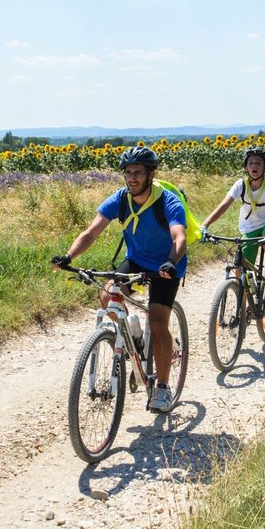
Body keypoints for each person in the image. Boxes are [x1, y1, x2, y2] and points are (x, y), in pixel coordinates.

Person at [51, 146, 187, 413]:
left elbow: (178, 237)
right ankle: (132, 335)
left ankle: (162, 387)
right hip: (136, 259)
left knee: (158, 320)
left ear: (151, 174)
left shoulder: (168, 200)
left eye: (138, 172)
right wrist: (69, 256)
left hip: (166, 263)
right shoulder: (120, 199)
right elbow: (91, 232)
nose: (132, 178)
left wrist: (171, 262)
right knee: (108, 295)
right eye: (127, 173)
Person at [197, 147, 265, 295]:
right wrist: (204, 225)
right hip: (250, 227)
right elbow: (223, 205)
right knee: (240, 269)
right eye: (250, 163)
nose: (254, 166)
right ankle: (248, 300)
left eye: (258, 163)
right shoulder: (241, 184)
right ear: (246, 167)